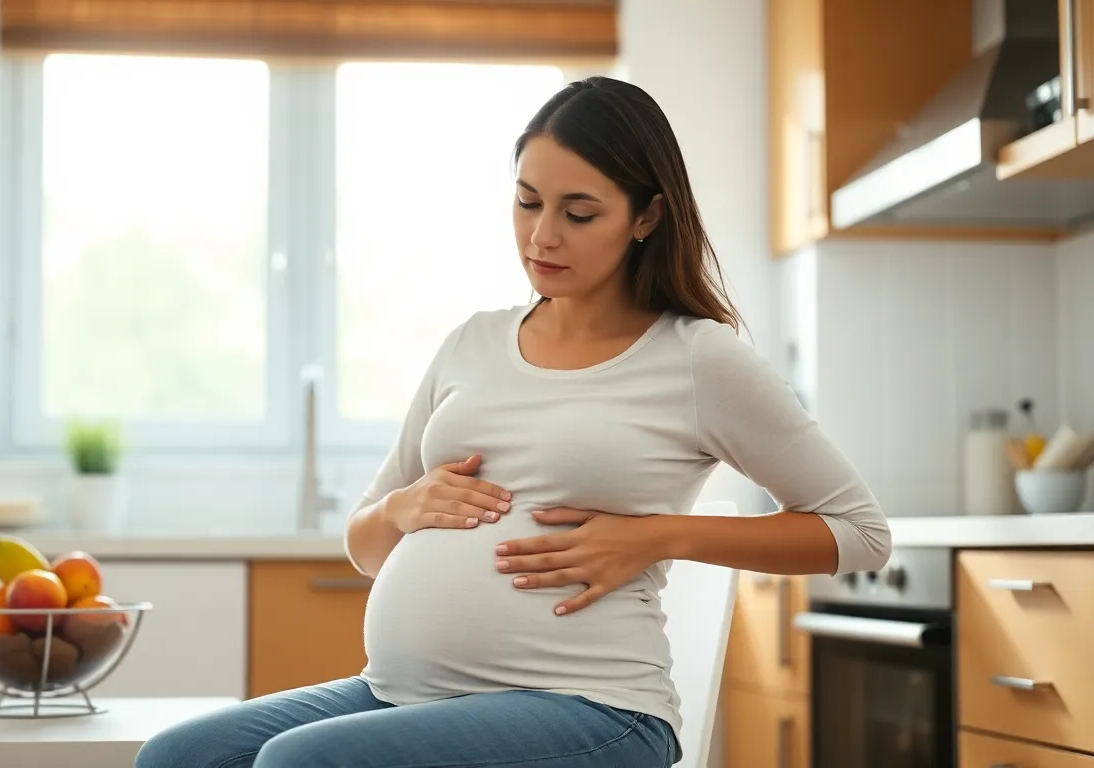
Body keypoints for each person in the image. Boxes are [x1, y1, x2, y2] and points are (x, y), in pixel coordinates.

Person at [134, 75, 889, 768]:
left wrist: (660, 537)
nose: (542, 236)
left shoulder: (698, 359)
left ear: (647, 216)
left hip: (593, 710)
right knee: (177, 759)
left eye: (578, 212)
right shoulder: (472, 341)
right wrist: (403, 506)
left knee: (301, 766)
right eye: (527, 202)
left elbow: (859, 533)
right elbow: (367, 546)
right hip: (408, 697)